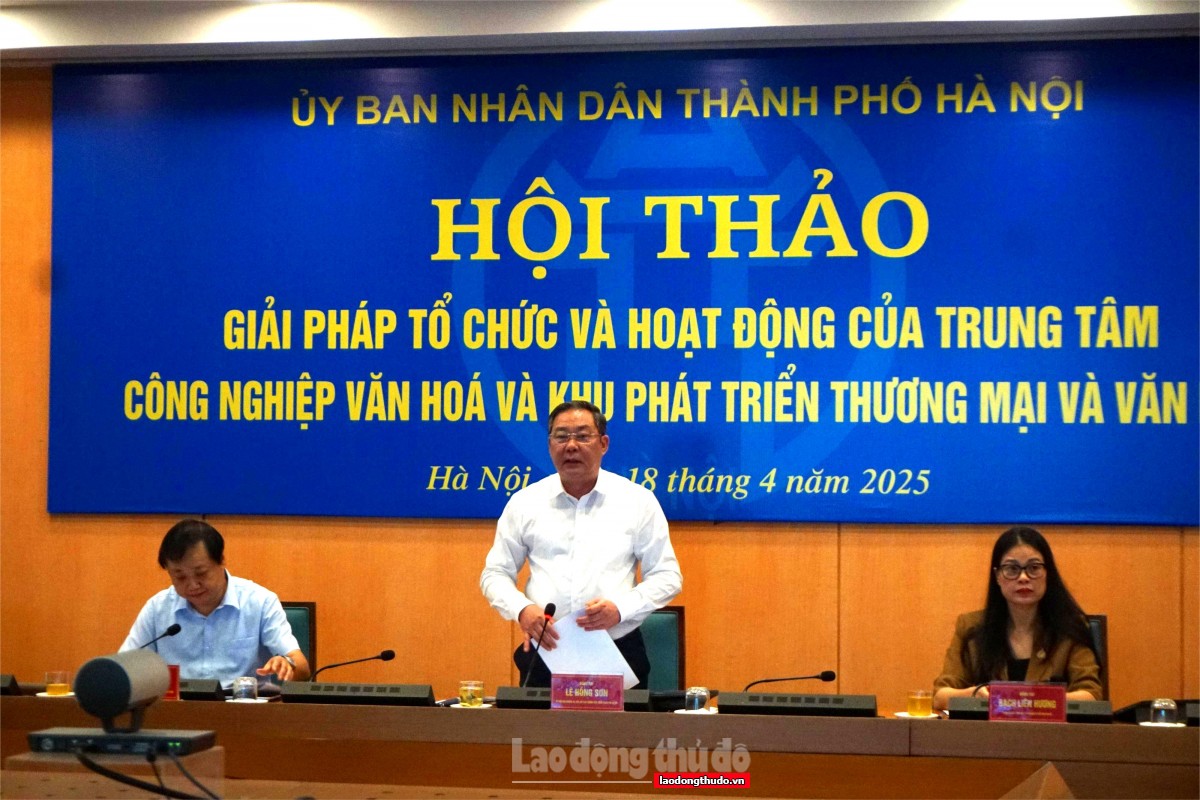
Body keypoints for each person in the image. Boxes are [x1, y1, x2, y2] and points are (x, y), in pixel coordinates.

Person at [480, 400, 682, 689]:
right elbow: (495, 573)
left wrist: (620, 609)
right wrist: (522, 610)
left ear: (603, 444)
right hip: (547, 650)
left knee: (622, 722)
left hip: (617, 648)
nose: (571, 446)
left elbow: (667, 576)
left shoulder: (637, 501)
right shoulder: (525, 503)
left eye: (583, 436)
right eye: (561, 436)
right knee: (537, 722)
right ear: (550, 445)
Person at [120, 519, 311, 687]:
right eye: (180, 577)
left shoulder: (260, 602)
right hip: (178, 710)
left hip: (244, 709)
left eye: (201, 573)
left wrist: (287, 664)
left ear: (221, 561)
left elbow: (301, 667)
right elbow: (125, 668)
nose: (192, 585)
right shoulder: (157, 608)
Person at [932, 526, 1101, 710]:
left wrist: (1031, 700)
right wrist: (975, 695)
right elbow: (940, 696)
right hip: (988, 729)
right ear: (997, 576)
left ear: (1048, 573)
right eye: (1012, 569)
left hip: (1050, 729)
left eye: (1034, 568)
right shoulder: (971, 627)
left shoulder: (1070, 629)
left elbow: (1091, 696)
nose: (1023, 577)